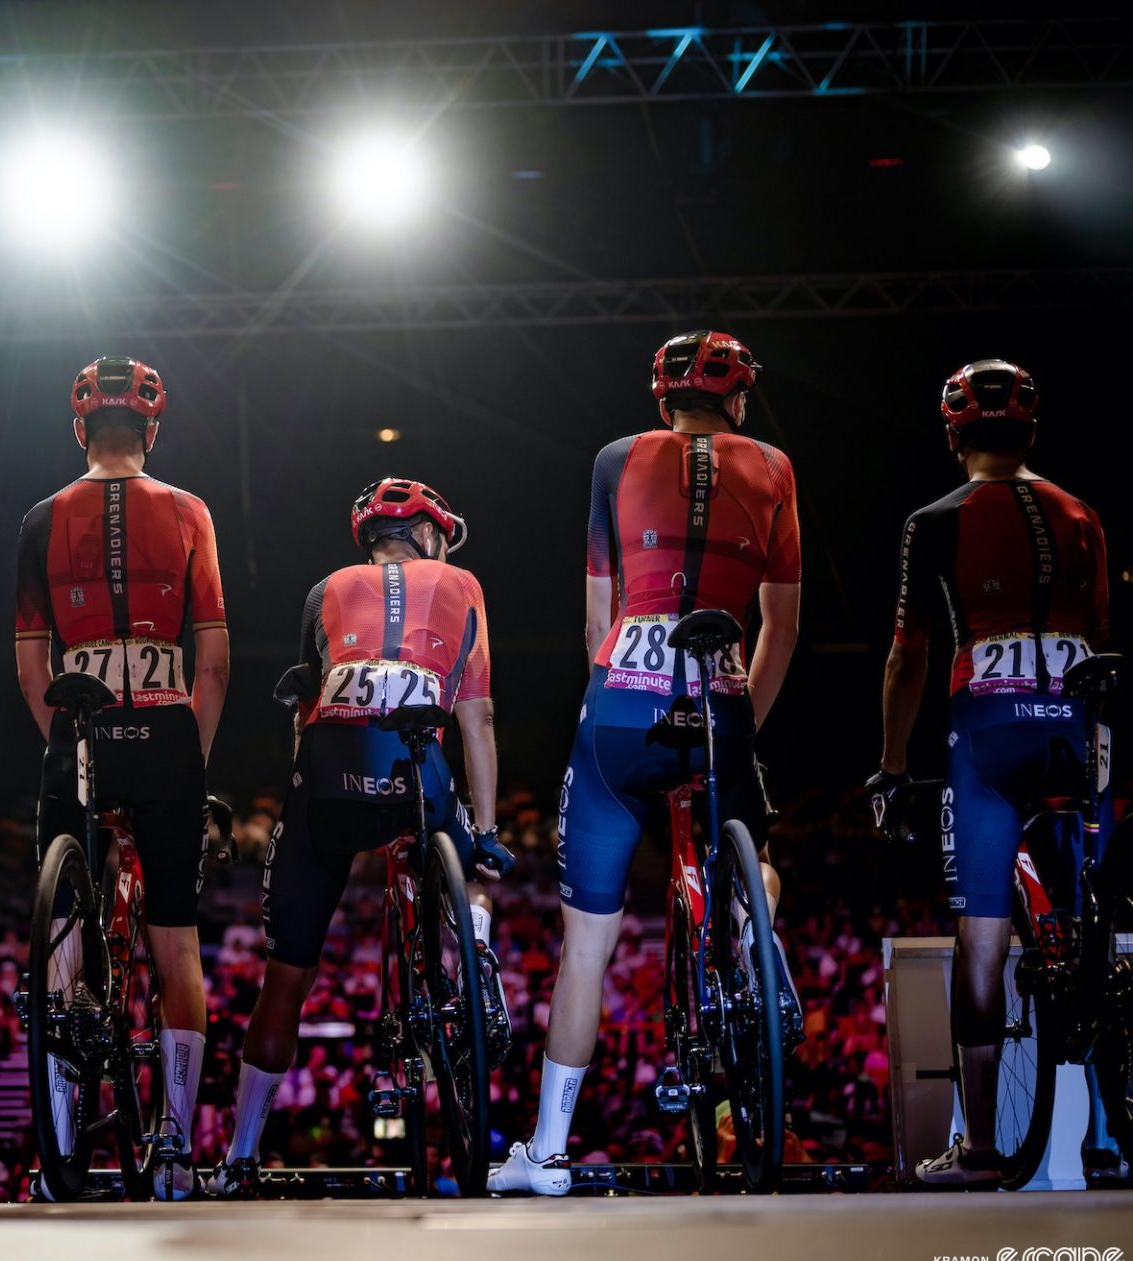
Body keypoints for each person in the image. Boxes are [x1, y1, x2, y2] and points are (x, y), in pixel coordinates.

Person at [492, 330, 802, 1195]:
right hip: (724, 699)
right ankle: (751, 931)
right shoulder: (775, 465)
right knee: (756, 866)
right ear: (738, 399)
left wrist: (617, 691)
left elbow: (597, 620)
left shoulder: (614, 458)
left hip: (622, 703)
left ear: (662, 400)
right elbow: (785, 622)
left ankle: (548, 1152)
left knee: (585, 948)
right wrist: (741, 720)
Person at [212, 477, 509, 1197]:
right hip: (421, 778)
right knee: (475, 859)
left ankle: (240, 1155)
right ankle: (470, 935)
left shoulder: (323, 590)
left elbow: (308, 702)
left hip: (329, 782)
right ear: (432, 535)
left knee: (285, 979)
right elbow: (478, 724)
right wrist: (489, 834)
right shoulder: (464, 583)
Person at [867, 359, 1111, 1186]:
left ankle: (977, 1150)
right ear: (1032, 431)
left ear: (953, 435)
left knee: (983, 937)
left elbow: (908, 659)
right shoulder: (1082, 513)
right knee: (1094, 934)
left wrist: (893, 768)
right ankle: (1100, 1136)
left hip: (991, 727)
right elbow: (1106, 647)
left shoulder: (937, 519)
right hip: (1085, 728)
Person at [13, 356, 229, 1200]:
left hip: (80, 733)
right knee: (176, 940)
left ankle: (62, 1138)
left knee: (67, 927)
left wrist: (68, 739)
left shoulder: (39, 518)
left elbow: (32, 663)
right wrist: (190, 758)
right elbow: (212, 662)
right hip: (169, 723)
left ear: (80, 431)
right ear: (151, 430)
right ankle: (175, 1141)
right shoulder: (189, 511)